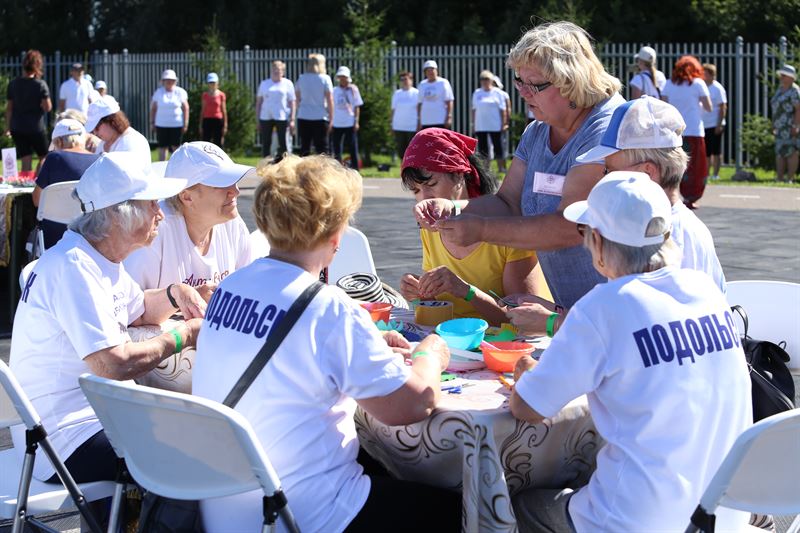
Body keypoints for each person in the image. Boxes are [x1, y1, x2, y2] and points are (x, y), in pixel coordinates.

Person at [192, 154, 461, 533]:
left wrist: (367, 341)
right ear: (336, 235)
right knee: (460, 512)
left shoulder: (231, 286)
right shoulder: (327, 307)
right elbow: (414, 404)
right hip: (309, 512)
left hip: (229, 509)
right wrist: (430, 353)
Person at [508, 171, 751, 532]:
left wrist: (524, 367)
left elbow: (526, 407)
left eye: (584, 233)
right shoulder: (704, 289)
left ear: (599, 241)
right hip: (725, 513)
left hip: (636, 519)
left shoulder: (604, 307)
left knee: (516, 504)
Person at [413, 21, 624, 334]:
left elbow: (570, 227)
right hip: (578, 312)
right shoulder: (538, 130)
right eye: (518, 81)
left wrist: (481, 229)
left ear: (569, 82)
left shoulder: (605, 128)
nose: (522, 92)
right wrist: (451, 209)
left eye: (534, 84)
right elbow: (508, 201)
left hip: (616, 309)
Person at [9, 151, 205, 483]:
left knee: (197, 438)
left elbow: (139, 309)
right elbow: (113, 364)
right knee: (195, 456)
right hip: (61, 438)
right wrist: (183, 336)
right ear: (118, 215)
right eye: (150, 203)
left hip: (85, 420)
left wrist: (177, 293)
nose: (160, 213)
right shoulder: (75, 268)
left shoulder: (94, 256)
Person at [575, 96, 726, 292]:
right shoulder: (673, 226)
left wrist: (554, 321)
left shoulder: (662, 237)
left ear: (647, 174)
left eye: (609, 171)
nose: (602, 178)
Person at [399, 128, 548, 325]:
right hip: (457, 342)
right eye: (416, 190)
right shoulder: (431, 230)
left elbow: (523, 321)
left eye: (431, 184)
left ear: (460, 176)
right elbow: (440, 305)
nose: (424, 198)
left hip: (502, 346)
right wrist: (422, 292)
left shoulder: (507, 228)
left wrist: (466, 291)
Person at [124, 142, 253, 300]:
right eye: (222, 183)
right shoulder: (153, 230)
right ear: (186, 196)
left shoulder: (232, 223)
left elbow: (249, 288)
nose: (236, 191)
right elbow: (130, 307)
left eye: (234, 180)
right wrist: (183, 300)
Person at [33, 118, 100, 248]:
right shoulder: (99, 160)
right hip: (88, 233)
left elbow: (37, 200)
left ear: (58, 141)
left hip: (54, 236)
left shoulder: (54, 158)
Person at [661, 55, 712, 209]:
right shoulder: (698, 84)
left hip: (674, 132)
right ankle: (691, 197)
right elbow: (709, 106)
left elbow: (663, 105)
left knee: (673, 166)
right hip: (694, 130)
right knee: (696, 167)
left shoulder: (669, 84)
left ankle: (671, 196)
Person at [4, 50, 52, 173]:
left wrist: (7, 128)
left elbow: (9, 108)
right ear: (38, 65)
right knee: (44, 157)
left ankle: (26, 187)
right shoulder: (40, 84)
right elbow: (48, 107)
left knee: (26, 160)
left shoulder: (13, 84)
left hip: (17, 127)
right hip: (35, 127)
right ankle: (37, 185)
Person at [86, 96, 152, 165]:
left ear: (111, 120)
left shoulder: (131, 142)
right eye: (93, 130)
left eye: (97, 127)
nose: (95, 133)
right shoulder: (103, 143)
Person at [256, 60, 296, 162]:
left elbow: (292, 102)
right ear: (271, 70)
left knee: (283, 143)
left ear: (283, 71)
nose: (276, 72)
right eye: (274, 69)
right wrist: (257, 119)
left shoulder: (288, 83)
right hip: (266, 117)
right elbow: (259, 102)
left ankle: (285, 164)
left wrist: (292, 119)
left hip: (281, 117)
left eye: (279, 70)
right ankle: (265, 165)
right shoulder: (264, 84)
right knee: (266, 143)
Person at [295, 53, 334, 156]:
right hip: (320, 116)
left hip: (303, 116)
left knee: (305, 147)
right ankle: (325, 171)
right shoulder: (325, 78)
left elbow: (297, 98)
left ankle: (303, 171)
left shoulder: (302, 78)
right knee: (322, 148)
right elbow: (330, 99)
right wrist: (332, 117)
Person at [471, 70, 507, 173]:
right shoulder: (477, 92)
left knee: (498, 147)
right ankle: (486, 169)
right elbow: (473, 109)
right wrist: (473, 124)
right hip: (481, 125)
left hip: (495, 125)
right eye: (482, 79)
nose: (484, 81)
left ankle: (501, 168)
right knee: (483, 148)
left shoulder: (498, 93)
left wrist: (503, 123)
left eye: (486, 79)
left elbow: (503, 109)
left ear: (491, 80)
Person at [150, 69, 189, 161]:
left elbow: (186, 108)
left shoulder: (180, 92)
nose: (169, 82)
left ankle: (177, 166)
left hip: (176, 124)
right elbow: (153, 108)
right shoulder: (158, 92)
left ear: (175, 81)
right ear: (163, 81)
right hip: (161, 124)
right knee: (162, 147)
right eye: (167, 79)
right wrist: (152, 122)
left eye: (171, 80)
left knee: (176, 147)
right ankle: (162, 167)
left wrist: (185, 123)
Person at [771, 64, 800, 183]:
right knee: (780, 151)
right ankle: (780, 177)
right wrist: (774, 124)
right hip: (779, 126)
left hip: (790, 125)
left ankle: (790, 178)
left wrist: (796, 125)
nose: (781, 77)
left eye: (784, 75)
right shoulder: (780, 89)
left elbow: (798, 109)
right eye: (781, 75)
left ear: (791, 77)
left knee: (791, 151)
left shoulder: (795, 91)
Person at [331, 66, 363, 169]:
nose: (342, 79)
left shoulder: (353, 89)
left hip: (350, 122)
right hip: (337, 122)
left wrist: (356, 121)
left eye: (344, 76)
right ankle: (338, 168)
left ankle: (355, 168)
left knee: (353, 146)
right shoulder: (335, 90)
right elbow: (331, 105)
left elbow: (357, 106)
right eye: (340, 77)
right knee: (337, 147)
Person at [702, 63, 728, 181]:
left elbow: (723, 107)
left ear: (712, 75)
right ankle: (706, 173)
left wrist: (719, 123)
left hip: (715, 124)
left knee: (716, 151)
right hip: (704, 124)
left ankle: (716, 174)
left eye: (706, 73)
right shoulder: (702, 86)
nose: (703, 75)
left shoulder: (718, 88)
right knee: (706, 151)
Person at [417, 60, 454, 130]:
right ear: (425, 72)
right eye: (428, 70)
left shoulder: (443, 82)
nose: (430, 72)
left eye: (432, 69)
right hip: (426, 121)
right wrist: (419, 120)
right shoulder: (422, 84)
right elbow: (419, 103)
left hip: (441, 120)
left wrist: (449, 116)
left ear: (436, 70)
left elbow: (449, 100)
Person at [391, 71, 419, 159]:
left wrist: (419, 123)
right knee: (401, 151)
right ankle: (403, 170)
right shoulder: (397, 93)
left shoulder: (417, 93)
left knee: (412, 150)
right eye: (402, 79)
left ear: (411, 80)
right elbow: (393, 110)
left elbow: (419, 110)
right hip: (398, 126)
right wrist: (391, 124)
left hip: (412, 126)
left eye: (406, 79)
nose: (404, 81)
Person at [199, 72, 227, 148]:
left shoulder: (221, 95)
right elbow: (203, 110)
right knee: (206, 141)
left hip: (218, 120)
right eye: (210, 82)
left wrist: (225, 125)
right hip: (207, 120)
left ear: (217, 83)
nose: (212, 84)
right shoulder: (205, 95)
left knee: (218, 141)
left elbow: (224, 110)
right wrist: (200, 125)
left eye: (214, 82)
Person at [492, 75, 511, 173]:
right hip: (492, 125)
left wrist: (506, 122)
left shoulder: (503, 94)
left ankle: (503, 167)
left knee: (502, 146)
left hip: (500, 125)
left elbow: (507, 109)